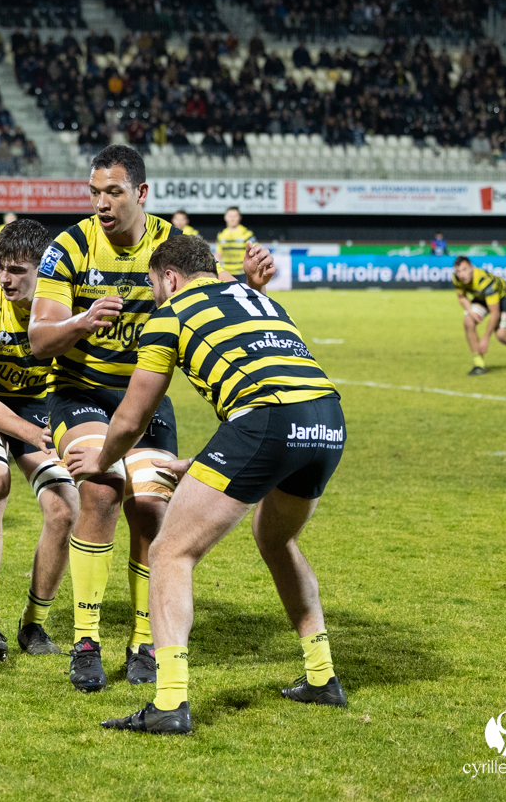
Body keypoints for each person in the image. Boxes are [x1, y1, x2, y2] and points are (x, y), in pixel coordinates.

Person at [64, 234, 347, 734]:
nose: (154, 296)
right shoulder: (263, 300)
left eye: (154, 287)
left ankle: (169, 703)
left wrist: (102, 459)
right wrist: (204, 463)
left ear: (169, 278)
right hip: (326, 421)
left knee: (170, 552)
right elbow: (277, 381)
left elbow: (133, 415)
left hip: (264, 422)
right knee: (276, 538)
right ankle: (322, 676)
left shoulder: (170, 314)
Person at [29, 144, 274, 693]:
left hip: (145, 398)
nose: (101, 203)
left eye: (112, 192)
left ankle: (142, 641)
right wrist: (82, 321)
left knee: (150, 506)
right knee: (100, 488)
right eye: (94, 192)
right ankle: (86, 639)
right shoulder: (68, 247)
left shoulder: (173, 247)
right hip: (79, 392)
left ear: (140, 193)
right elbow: (40, 339)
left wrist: (250, 286)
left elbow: (217, 299)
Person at [0, 219, 77, 663]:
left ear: (45, 268)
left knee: (66, 506)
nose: (6, 279)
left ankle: (34, 624)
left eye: (19, 269)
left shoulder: (68, 303)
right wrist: (36, 436)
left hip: (37, 407)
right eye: (2, 267)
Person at [452, 257, 506, 376]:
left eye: (465, 270)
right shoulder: (457, 278)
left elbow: (495, 313)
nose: (462, 274)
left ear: (472, 268)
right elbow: (461, 297)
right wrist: (470, 312)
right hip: (482, 297)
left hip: (504, 297)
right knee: (468, 321)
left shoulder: (485, 282)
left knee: (501, 335)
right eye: (458, 271)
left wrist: (485, 338)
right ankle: (479, 364)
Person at [215, 206, 255, 282]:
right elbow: (218, 255)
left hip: (242, 273)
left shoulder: (246, 234)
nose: (232, 219)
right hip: (226, 273)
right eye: (230, 216)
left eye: (235, 216)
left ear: (239, 217)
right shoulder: (221, 235)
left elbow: (254, 252)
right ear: (225, 217)